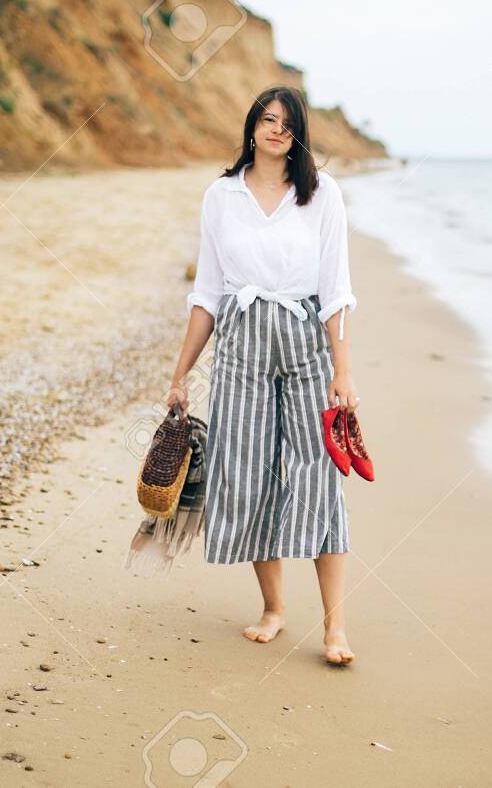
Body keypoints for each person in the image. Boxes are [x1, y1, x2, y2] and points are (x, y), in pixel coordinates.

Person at [167, 85, 360, 665]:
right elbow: (207, 293)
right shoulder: (221, 196)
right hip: (242, 345)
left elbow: (336, 292)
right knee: (249, 475)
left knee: (320, 479)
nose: (276, 128)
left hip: (305, 344)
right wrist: (180, 375)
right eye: (267, 118)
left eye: (287, 121)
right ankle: (274, 609)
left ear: (299, 132)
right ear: (251, 125)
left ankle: (335, 627)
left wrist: (342, 372)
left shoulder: (323, 195)